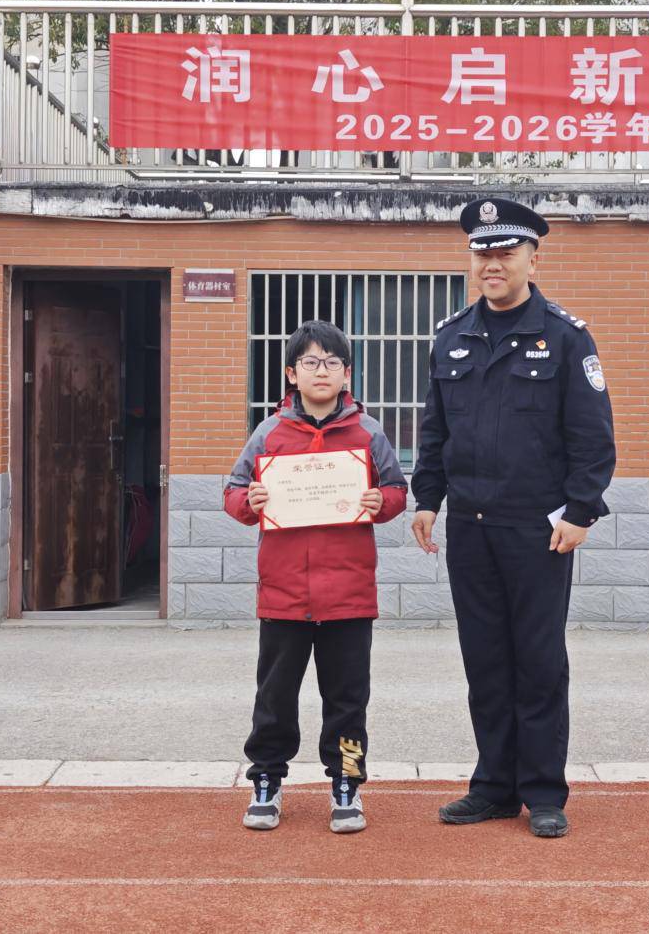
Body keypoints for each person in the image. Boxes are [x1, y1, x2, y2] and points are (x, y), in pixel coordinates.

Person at [410, 197, 616, 839]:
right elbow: (435, 430)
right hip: (470, 527)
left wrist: (581, 511)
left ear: (533, 258)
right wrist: (426, 498)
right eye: (482, 253)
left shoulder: (566, 337)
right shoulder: (452, 337)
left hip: (538, 529)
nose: (492, 264)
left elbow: (593, 437)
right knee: (485, 659)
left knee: (539, 659)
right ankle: (494, 786)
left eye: (505, 252)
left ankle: (544, 790)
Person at [225, 319, 407, 833]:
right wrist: (251, 501)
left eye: (331, 362)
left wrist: (381, 501)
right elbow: (233, 493)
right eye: (310, 362)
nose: (321, 371)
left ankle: (346, 783)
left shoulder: (368, 432)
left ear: (346, 373)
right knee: (274, 698)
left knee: (347, 701)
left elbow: (397, 490)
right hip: (283, 595)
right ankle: (266, 780)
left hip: (348, 596)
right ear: (292, 373)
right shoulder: (269, 433)